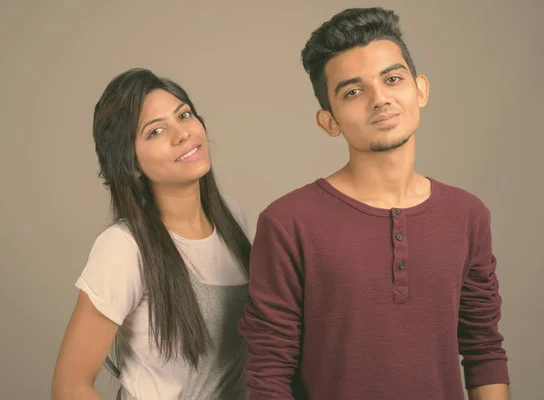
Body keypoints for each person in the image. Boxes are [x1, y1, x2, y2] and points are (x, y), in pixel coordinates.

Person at [238, 7, 510, 400]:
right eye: (353, 91)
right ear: (329, 121)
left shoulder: (468, 215)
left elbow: (484, 350)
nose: (379, 99)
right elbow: (269, 372)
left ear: (420, 90)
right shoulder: (288, 222)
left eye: (392, 79)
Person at [51, 68, 251, 400]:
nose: (182, 134)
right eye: (156, 131)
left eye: (184, 115)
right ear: (131, 163)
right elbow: (70, 387)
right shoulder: (124, 248)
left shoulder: (234, 219)